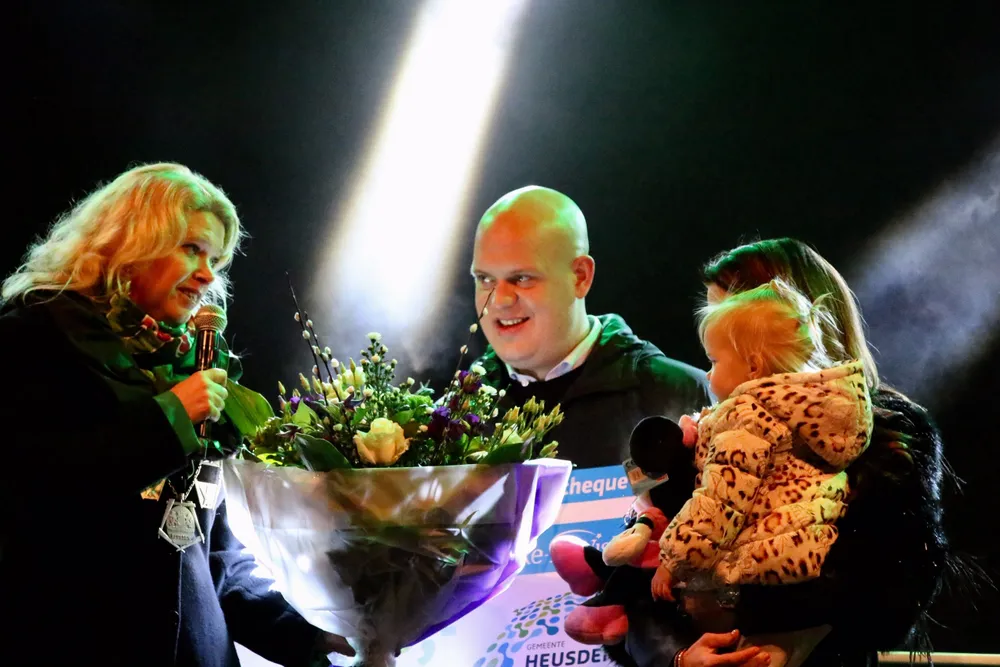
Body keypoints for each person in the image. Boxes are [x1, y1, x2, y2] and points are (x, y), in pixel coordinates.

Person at [0, 163, 353, 666]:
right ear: (132, 243)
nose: (208, 275)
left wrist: (309, 631)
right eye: (192, 248)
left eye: (215, 259)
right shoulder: (32, 340)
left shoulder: (194, 368)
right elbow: (40, 493)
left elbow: (209, 552)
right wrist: (169, 419)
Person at [626, 238, 957, 667]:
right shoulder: (708, 429)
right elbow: (636, 586)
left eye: (730, 328)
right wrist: (679, 656)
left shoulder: (890, 433)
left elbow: (894, 594)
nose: (716, 362)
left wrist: (747, 615)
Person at [652, 280, 873, 667]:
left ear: (753, 366)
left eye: (714, 362)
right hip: (808, 565)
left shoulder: (747, 414)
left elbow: (720, 501)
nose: (708, 375)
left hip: (766, 572)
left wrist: (673, 559)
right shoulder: (823, 413)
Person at [470, 185, 711, 469]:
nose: (499, 300)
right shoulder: (456, 413)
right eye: (485, 279)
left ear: (580, 277)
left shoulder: (680, 394)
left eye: (522, 278)